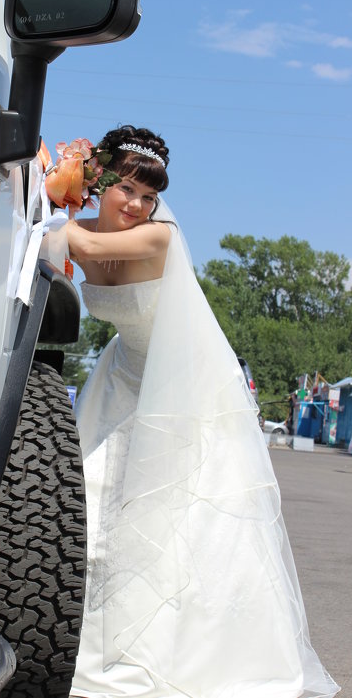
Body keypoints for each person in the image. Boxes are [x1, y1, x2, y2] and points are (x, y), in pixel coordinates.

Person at [59, 125, 339, 698]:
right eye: (126, 190)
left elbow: (78, 246)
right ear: (102, 185)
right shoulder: (90, 226)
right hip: (125, 374)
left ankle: (184, 647)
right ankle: (83, 633)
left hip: (182, 381)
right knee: (93, 496)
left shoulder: (157, 238)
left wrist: (47, 196)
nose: (137, 205)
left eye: (149, 195)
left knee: (180, 511)